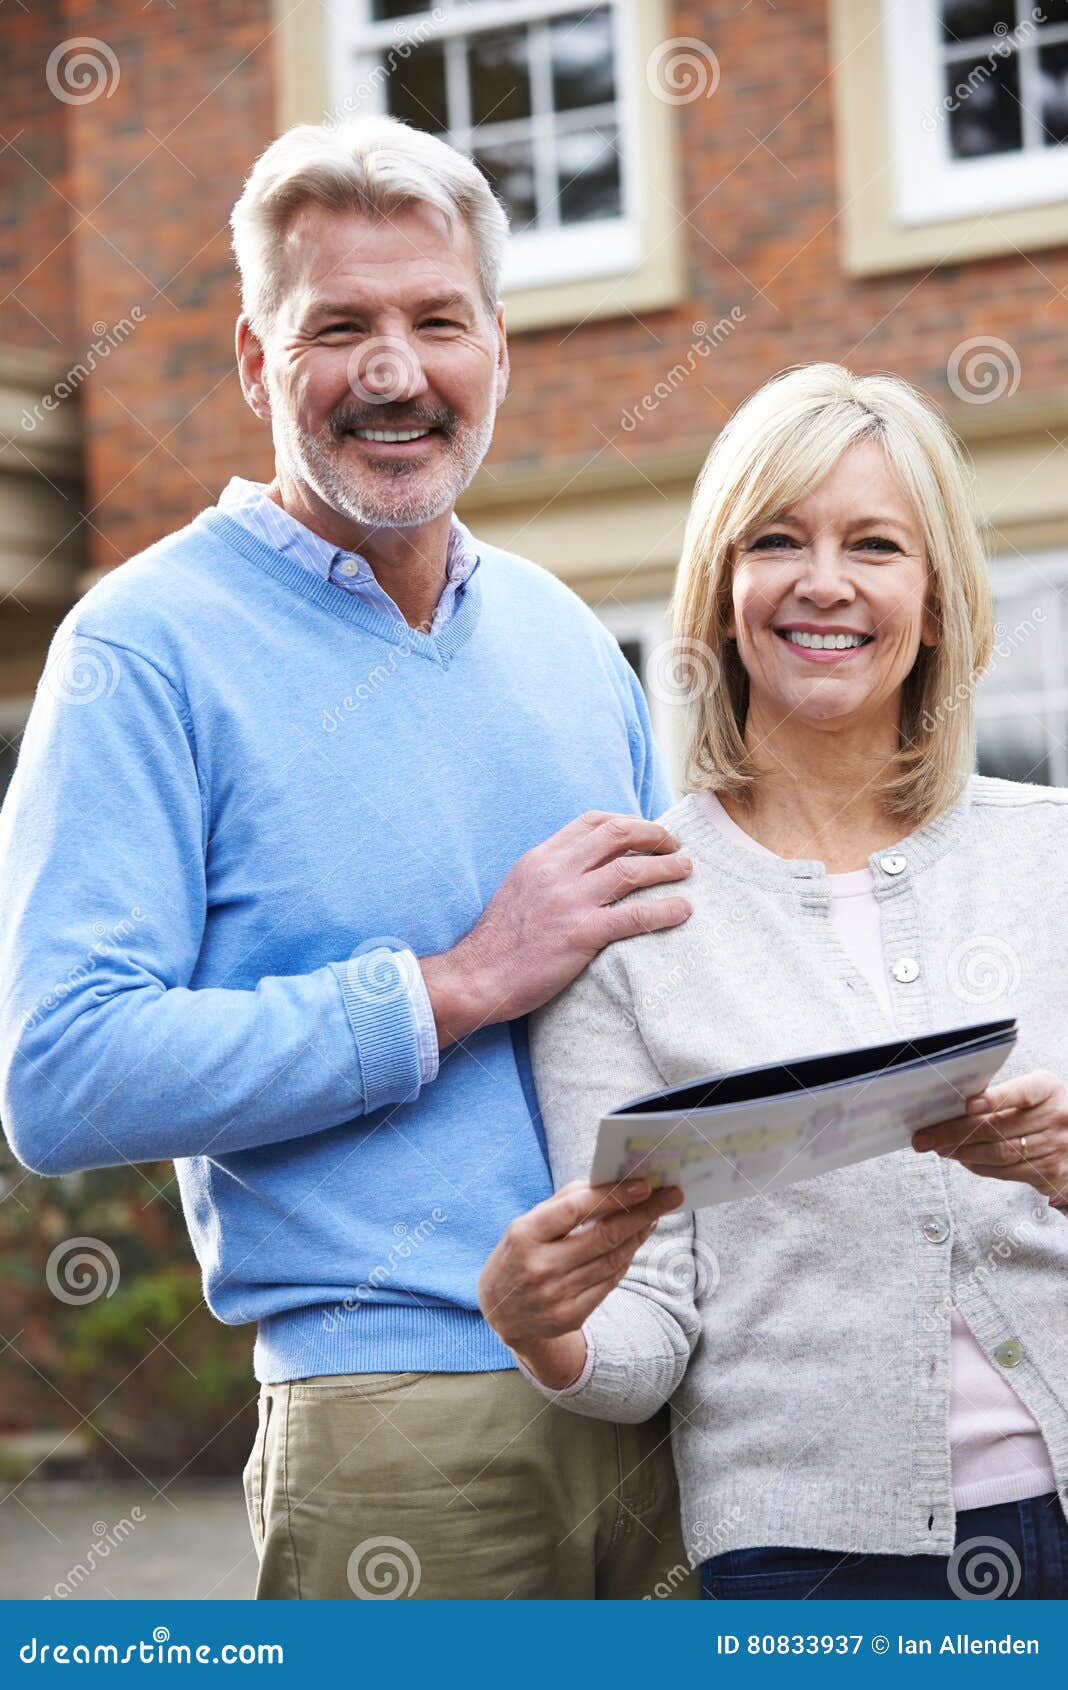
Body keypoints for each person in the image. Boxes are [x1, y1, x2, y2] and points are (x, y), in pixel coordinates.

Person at [0, 115, 696, 1600]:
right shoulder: (139, 648)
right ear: (258, 362)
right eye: (340, 328)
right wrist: (449, 985)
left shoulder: (573, 642)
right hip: (399, 1419)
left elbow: (668, 1008)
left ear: (496, 349)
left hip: (657, 1377)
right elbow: (59, 1073)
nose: (394, 371)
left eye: (436, 321)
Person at [479, 362, 1068, 1600]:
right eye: (779, 539)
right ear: (724, 591)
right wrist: (549, 1330)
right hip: (812, 1559)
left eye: (876, 544)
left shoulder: (1052, 853)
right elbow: (649, 1324)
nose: (825, 581)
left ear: (940, 599)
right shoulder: (632, 920)